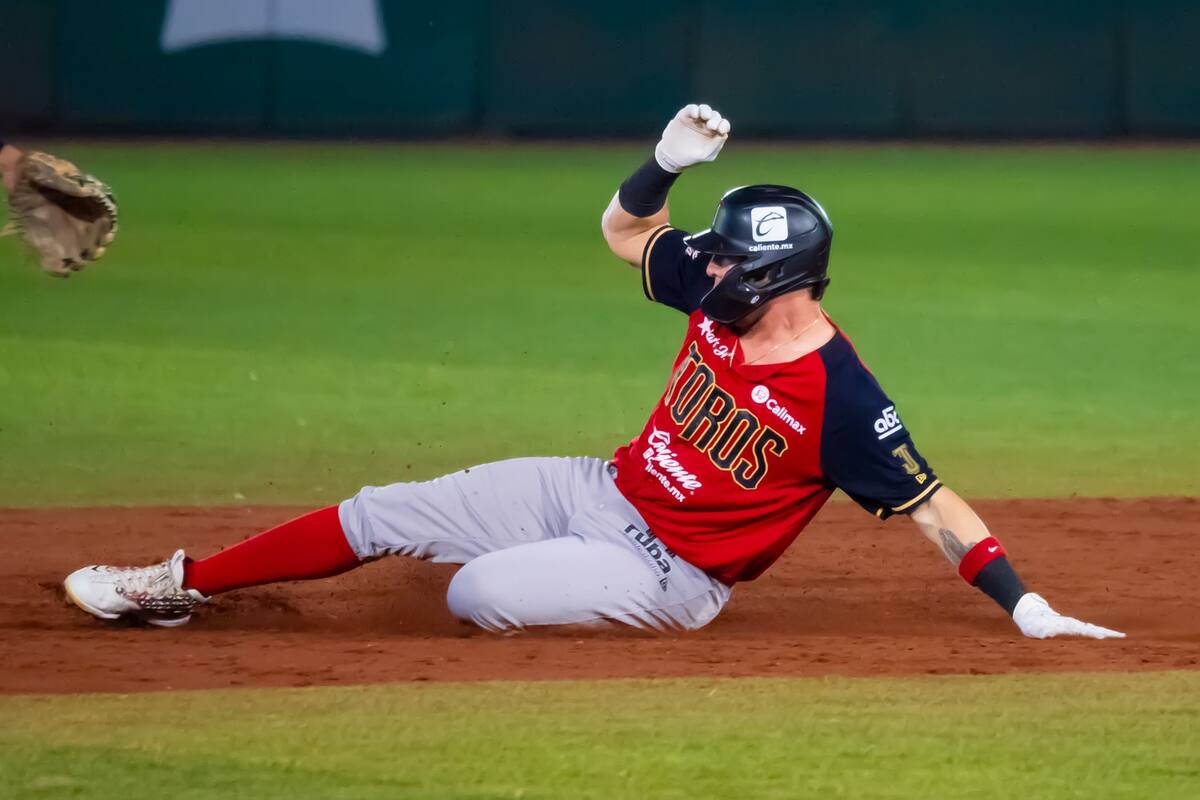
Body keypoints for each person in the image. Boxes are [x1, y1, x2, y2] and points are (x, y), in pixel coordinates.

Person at [62, 104, 1123, 640]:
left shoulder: (842, 396)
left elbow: (932, 503)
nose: (708, 262)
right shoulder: (717, 289)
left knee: (475, 591)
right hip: (601, 487)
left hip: (673, 577)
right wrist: (663, 164)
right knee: (383, 509)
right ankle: (177, 585)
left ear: (780, 278)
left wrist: (1025, 605)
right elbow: (625, 232)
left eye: (730, 259)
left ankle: (553, 576)